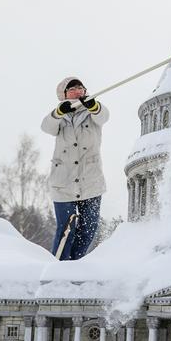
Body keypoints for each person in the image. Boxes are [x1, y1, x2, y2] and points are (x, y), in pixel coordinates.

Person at [41, 76, 109, 260]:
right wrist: (58, 113)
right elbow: (46, 127)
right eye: (72, 89)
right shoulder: (58, 118)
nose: (78, 90)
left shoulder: (93, 111)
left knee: (88, 229)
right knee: (66, 229)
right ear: (63, 95)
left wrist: (93, 106)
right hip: (63, 183)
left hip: (90, 181)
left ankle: (74, 266)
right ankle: (58, 267)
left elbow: (104, 115)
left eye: (81, 87)